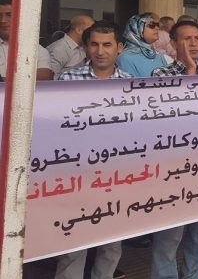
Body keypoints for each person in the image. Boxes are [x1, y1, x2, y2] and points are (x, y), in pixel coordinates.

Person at [55, 20, 129, 279]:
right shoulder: (68, 78)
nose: (100, 51)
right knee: (74, 241)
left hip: (117, 173)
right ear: (86, 47)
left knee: (112, 242)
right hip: (78, 172)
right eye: (94, 44)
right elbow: (58, 125)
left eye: (107, 45)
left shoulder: (132, 84)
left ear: (119, 47)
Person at [150, 21, 198, 279]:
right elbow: (169, 117)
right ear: (174, 43)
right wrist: (188, 72)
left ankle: (193, 274)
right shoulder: (160, 75)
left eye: (197, 38)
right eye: (186, 38)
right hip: (173, 166)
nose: (193, 43)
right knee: (170, 233)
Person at [0, 0, 54, 80]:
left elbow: (43, 79)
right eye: (0, 15)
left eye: (9, 15)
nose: (3, 20)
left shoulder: (37, 50)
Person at [116, 13, 169, 77]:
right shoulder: (125, 58)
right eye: (151, 25)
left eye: (158, 25)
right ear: (137, 28)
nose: (157, 28)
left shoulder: (158, 55)